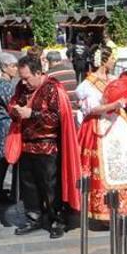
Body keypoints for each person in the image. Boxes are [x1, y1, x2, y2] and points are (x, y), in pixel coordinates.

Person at [10, 56, 80, 239]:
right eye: (22, 78)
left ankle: (57, 219)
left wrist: (32, 114)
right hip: (26, 145)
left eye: (27, 78)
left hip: (48, 147)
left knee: (51, 187)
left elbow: (57, 118)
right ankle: (34, 217)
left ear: (39, 73)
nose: (23, 82)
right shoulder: (21, 88)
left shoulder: (53, 88)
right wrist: (14, 110)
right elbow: (13, 103)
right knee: (29, 186)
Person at [78, 45, 127, 221]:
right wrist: (114, 105)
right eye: (111, 59)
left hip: (118, 124)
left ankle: (126, 205)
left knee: (125, 160)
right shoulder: (87, 84)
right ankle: (104, 209)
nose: (114, 62)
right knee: (104, 167)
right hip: (99, 127)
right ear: (103, 61)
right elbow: (91, 109)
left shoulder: (113, 79)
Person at [0, 52, 18, 202]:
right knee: (6, 158)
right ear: (5, 67)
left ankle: (1, 191)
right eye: (13, 66)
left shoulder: (2, 84)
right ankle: (0, 192)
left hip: (5, 123)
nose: (16, 69)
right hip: (6, 124)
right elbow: (13, 106)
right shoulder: (4, 86)